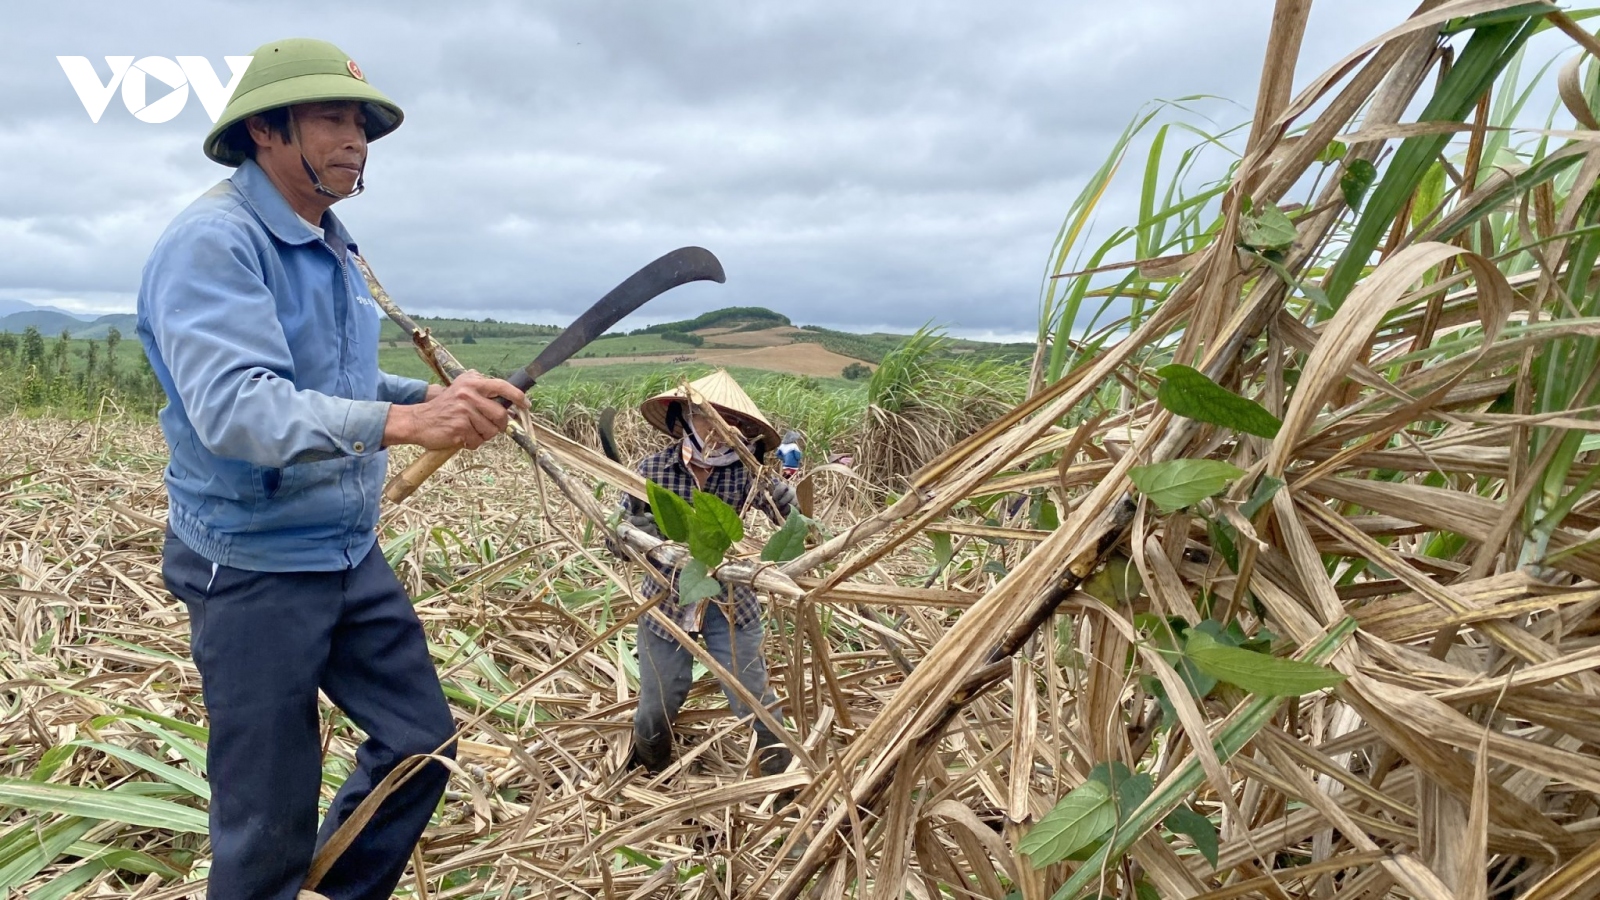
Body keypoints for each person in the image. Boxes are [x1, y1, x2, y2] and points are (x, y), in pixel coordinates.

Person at [135, 38, 529, 900]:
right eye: (330, 118)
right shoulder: (214, 244)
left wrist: (439, 392)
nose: (354, 138)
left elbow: (335, 383)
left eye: (360, 122)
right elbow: (241, 407)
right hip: (251, 563)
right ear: (266, 132)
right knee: (265, 823)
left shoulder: (333, 246)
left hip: (344, 551)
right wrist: (410, 421)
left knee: (420, 748)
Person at [621, 370, 797, 778]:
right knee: (656, 704)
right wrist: (631, 536)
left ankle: (783, 786)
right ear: (683, 418)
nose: (720, 429)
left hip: (731, 599)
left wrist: (790, 505)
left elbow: (793, 528)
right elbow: (615, 536)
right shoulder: (652, 471)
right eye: (707, 417)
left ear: (747, 431)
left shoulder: (750, 472)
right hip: (666, 598)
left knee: (753, 698)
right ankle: (653, 770)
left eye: (733, 422)